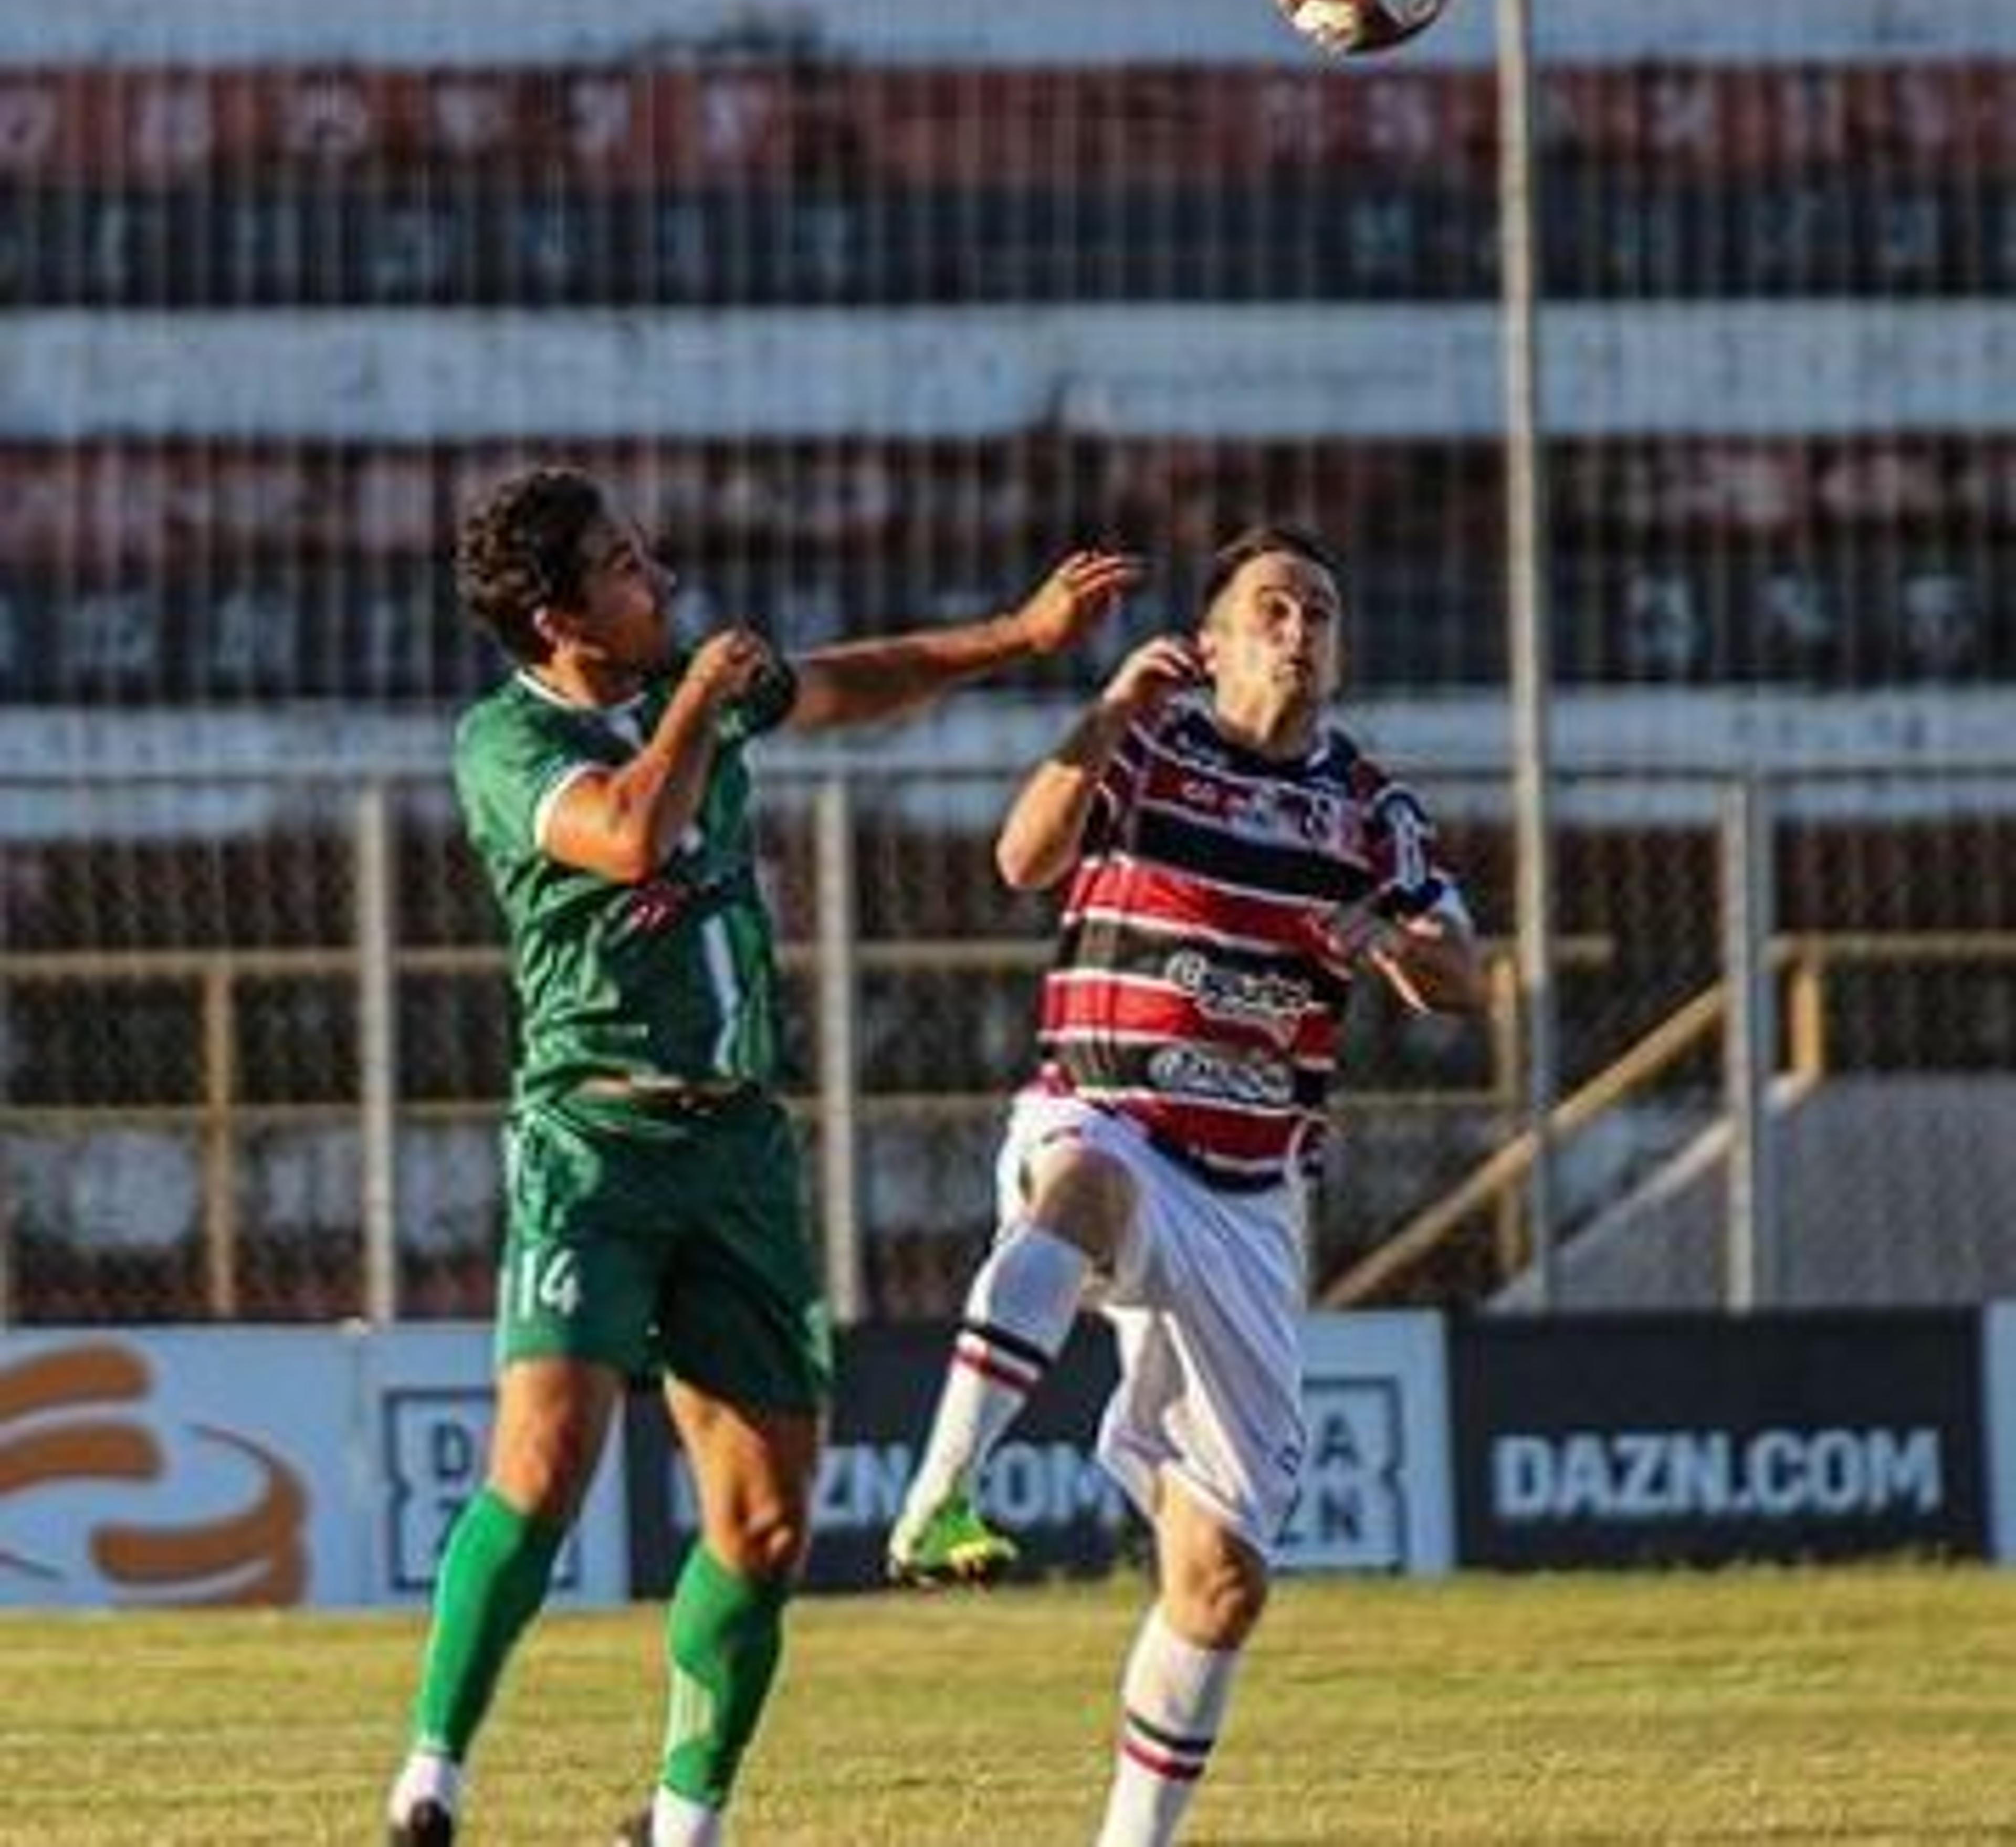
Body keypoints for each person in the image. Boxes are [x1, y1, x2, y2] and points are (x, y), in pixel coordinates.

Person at [384, 461, 1137, 1847]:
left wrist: (1019, 639)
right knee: (546, 1457)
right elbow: (629, 831)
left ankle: (684, 1819)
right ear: (560, 618)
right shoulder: (505, 743)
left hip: (736, 1149)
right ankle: (431, 1779)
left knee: (770, 1524)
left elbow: (854, 679)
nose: (659, 574)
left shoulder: (700, 686)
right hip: (592, 1140)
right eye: (623, 564)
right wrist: (692, 699)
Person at [887, 524, 1485, 1847]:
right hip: (1107, 1110)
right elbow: (1023, 861)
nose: (1299, 628)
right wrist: (1104, 711)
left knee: (1221, 1586)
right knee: (1085, 1188)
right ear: (1210, 643)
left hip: (1248, 1193)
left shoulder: (1371, 809)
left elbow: (1468, 976)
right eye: (1271, 606)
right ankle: (942, 1491)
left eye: (1320, 610)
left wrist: (1392, 937)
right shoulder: (1150, 747)